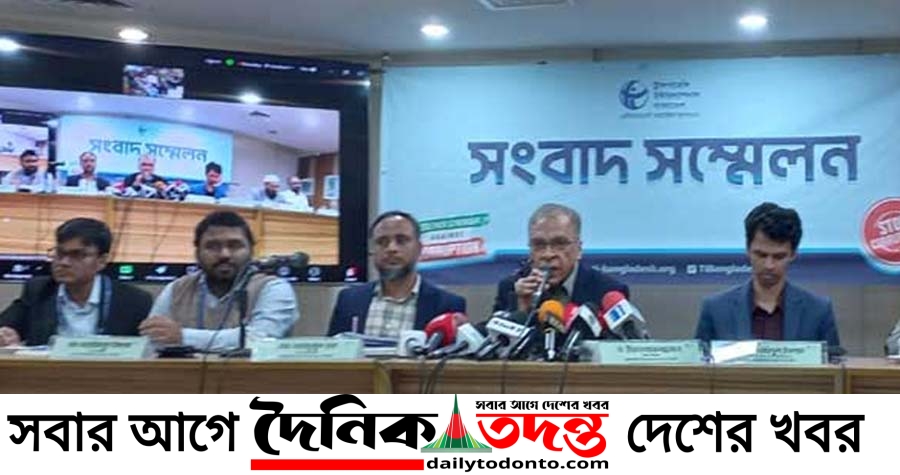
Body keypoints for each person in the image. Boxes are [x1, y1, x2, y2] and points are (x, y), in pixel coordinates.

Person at [139, 211, 299, 351]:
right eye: (212, 246)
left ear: (251, 250)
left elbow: (261, 339)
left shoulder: (273, 288)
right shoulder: (176, 289)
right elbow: (151, 341)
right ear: (197, 252)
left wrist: (182, 337)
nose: (224, 254)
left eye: (235, 245)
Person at [695, 202, 841, 348]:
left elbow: (832, 361)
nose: (769, 265)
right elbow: (698, 361)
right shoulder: (715, 309)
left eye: (779, 257)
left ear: (793, 254)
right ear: (748, 250)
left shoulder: (818, 311)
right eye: (761, 255)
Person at [0, 218, 152, 346]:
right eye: (60, 253)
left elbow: (149, 350)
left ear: (102, 261)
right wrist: (6, 335)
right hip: (49, 372)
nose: (64, 262)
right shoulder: (39, 290)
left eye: (77, 255)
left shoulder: (134, 300)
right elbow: (6, 326)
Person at [328, 211, 465, 338]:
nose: (391, 248)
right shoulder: (349, 300)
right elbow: (331, 352)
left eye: (401, 240)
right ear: (372, 250)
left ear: (418, 249)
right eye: (382, 242)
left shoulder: (447, 305)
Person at [493, 203, 629, 314]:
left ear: (579, 249)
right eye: (539, 244)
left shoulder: (607, 290)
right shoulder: (511, 288)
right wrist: (521, 309)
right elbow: (494, 337)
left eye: (560, 244)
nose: (548, 254)